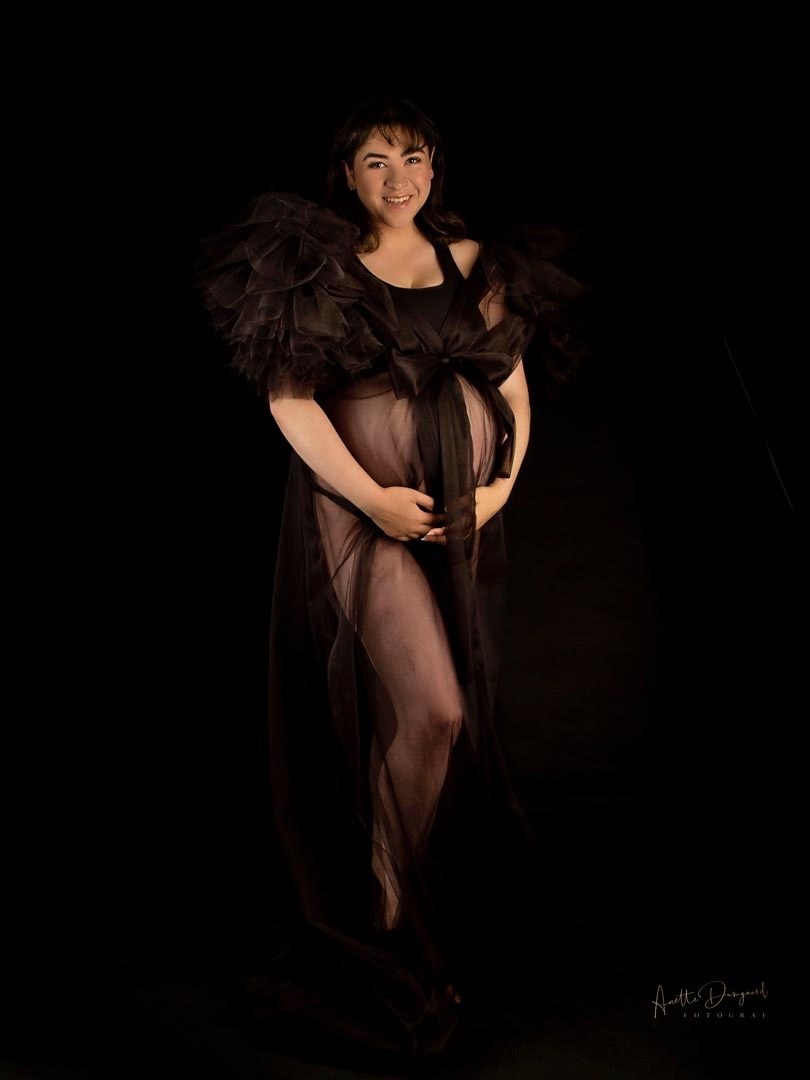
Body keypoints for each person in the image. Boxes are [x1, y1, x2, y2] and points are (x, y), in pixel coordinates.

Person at [194, 96, 588, 1060]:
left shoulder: (474, 262)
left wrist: (500, 488)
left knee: (442, 723)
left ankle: (390, 885)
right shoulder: (320, 261)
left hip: (458, 519)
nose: (397, 178)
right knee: (435, 710)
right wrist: (371, 498)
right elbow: (290, 401)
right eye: (376, 162)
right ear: (348, 175)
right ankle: (379, 906)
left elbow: (511, 384)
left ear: (435, 168)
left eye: (412, 158)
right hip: (360, 517)